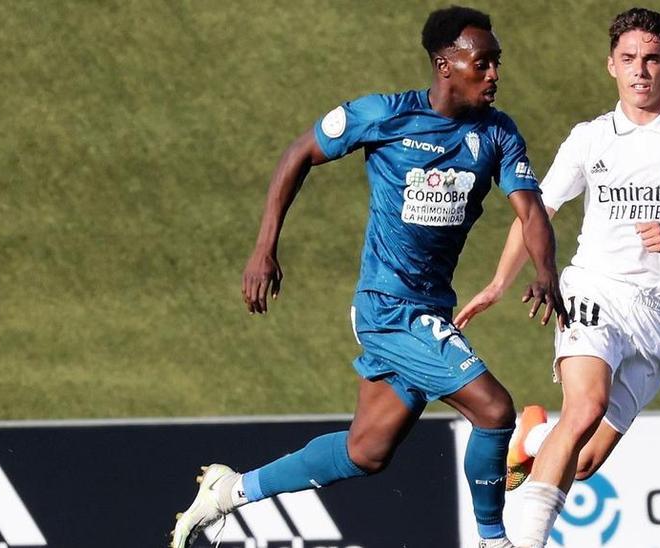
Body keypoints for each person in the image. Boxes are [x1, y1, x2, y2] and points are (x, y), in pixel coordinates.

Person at [169, 7, 567, 548]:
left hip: (429, 309)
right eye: (483, 63)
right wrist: (265, 248)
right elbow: (298, 153)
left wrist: (546, 271)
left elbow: (531, 210)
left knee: (367, 452)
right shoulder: (385, 115)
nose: (495, 74)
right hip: (389, 307)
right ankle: (493, 542)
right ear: (444, 65)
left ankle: (228, 491)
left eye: (497, 63)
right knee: (495, 411)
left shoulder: (497, 133)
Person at [454, 7, 660, 546]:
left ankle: (534, 436)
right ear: (610, 66)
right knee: (586, 407)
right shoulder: (591, 138)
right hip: (595, 289)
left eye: (652, 59)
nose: (641, 70)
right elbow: (536, 210)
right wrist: (499, 283)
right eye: (629, 59)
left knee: (586, 457)